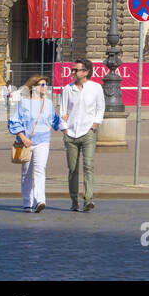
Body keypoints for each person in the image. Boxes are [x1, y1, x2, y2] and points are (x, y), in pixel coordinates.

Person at [8, 75, 63, 213]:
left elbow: (55, 121)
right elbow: (14, 121)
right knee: (27, 173)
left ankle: (40, 200)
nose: (45, 87)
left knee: (40, 170)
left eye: (46, 85)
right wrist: (23, 137)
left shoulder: (48, 103)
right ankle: (27, 201)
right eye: (42, 85)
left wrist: (65, 122)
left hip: (43, 142)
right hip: (26, 143)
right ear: (33, 87)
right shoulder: (24, 103)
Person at [59, 58, 104, 212]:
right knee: (72, 169)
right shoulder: (67, 89)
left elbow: (100, 108)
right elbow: (62, 110)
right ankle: (74, 200)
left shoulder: (96, 88)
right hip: (71, 134)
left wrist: (95, 125)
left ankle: (88, 199)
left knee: (88, 166)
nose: (73, 72)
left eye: (76, 70)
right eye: (73, 70)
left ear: (86, 72)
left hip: (88, 133)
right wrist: (64, 129)